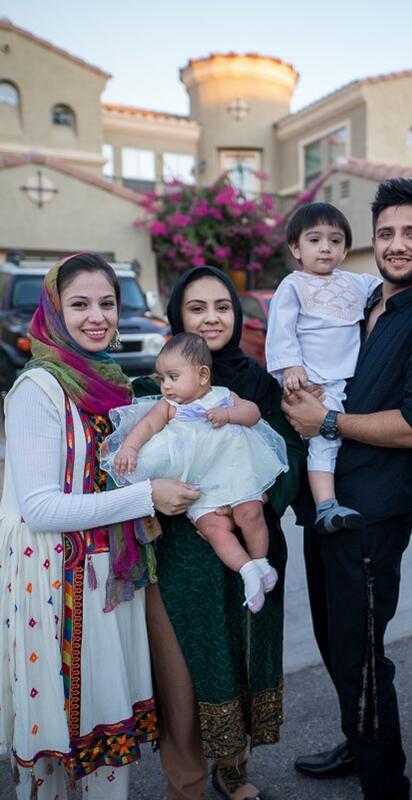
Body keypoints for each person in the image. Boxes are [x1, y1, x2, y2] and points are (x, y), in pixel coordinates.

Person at [283, 179, 412, 800]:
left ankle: (385, 781)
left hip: (371, 514)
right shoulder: (361, 299)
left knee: (360, 651)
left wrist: (326, 422)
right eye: (386, 232)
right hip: (323, 502)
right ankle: (358, 740)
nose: (397, 244)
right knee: (335, 641)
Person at [0, 253, 199, 800]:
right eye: (80, 304)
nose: (97, 317)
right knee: (60, 734)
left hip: (110, 576)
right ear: (53, 310)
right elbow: (41, 508)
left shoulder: (111, 383)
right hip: (57, 584)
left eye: (107, 303)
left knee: (108, 731)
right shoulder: (38, 389)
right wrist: (147, 497)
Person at [134, 266, 305, 800]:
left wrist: (258, 498)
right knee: (182, 671)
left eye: (222, 306)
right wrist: (159, 492)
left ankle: (233, 767)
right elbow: (134, 464)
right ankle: (185, 783)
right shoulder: (156, 385)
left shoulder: (258, 383)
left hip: (250, 537)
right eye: (197, 308)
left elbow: (291, 453)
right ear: (176, 317)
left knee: (241, 656)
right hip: (181, 551)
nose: (212, 318)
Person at [102, 332, 287, 613]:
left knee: (250, 514)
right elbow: (147, 426)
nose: (165, 386)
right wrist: (129, 447)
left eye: (173, 377)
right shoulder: (169, 407)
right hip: (199, 486)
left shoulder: (223, 396)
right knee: (214, 530)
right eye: (162, 378)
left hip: (234, 476)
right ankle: (247, 570)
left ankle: (261, 562)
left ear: (202, 375)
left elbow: (253, 414)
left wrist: (230, 414)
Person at [266, 202, 381, 534]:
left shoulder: (356, 282)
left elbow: (387, 289)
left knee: (341, 439)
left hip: (347, 378)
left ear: (345, 249)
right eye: (315, 240)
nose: (326, 248)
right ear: (296, 248)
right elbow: (281, 329)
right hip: (312, 378)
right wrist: (290, 366)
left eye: (335, 241)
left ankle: (329, 502)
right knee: (324, 440)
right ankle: (326, 505)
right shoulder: (293, 285)